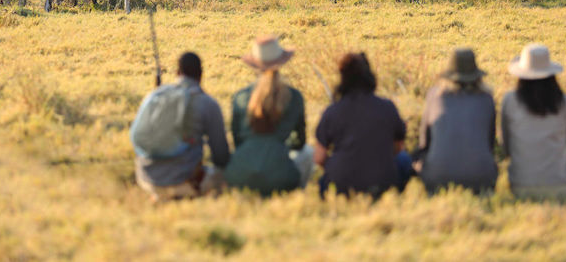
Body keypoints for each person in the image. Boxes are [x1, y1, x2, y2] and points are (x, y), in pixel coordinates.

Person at [131, 52, 230, 202]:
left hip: (146, 178)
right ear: (201, 74)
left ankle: (159, 195)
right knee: (227, 177)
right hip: (185, 180)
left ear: (177, 73)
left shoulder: (156, 95)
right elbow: (221, 156)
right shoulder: (207, 103)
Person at [224, 36, 313, 196]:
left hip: (240, 176)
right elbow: (299, 143)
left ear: (254, 64)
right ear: (281, 62)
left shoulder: (240, 97)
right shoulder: (294, 97)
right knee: (308, 153)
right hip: (282, 177)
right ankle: (298, 193)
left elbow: (237, 141)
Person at [315, 52, 410, 198]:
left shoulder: (332, 111)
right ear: (369, 76)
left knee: (322, 181)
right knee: (404, 159)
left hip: (342, 183)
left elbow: (319, 158)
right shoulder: (387, 107)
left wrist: (337, 165)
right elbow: (398, 148)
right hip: (383, 181)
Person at [414, 48, 497, 195]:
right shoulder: (486, 98)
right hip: (481, 178)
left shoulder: (435, 95)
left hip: (437, 177)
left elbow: (425, 142)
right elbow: (489, 143)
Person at [502, 44, 566, 200]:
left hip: (520, 186)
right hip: (560, 187)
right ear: (551, 75)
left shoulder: (510, 101)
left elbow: (507, 146)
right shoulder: (565, 102)